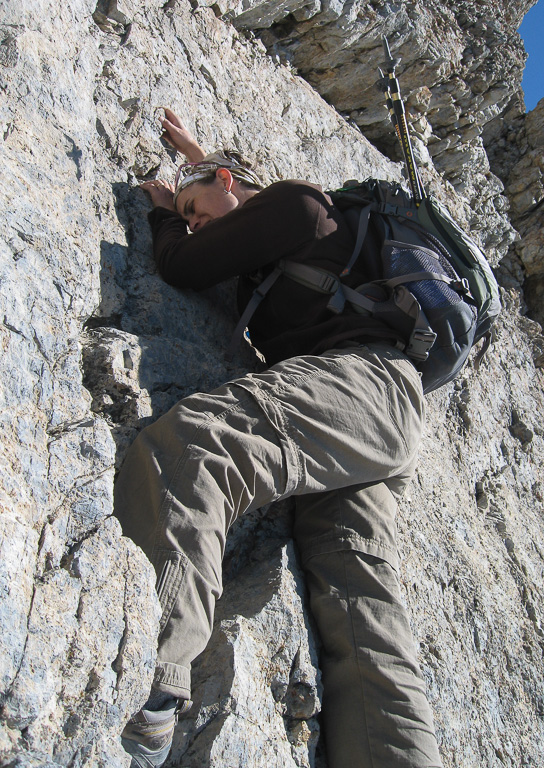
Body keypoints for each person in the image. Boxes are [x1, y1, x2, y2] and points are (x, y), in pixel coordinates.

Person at [114, 108, 443, 768]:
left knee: (203, 444)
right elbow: (231, 210)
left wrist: (160, 211)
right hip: (372, 416)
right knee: (362, 608)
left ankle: (156, 683)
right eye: (184, 208)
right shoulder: (290, 224)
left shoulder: (296, 201)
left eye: (195, 204)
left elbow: (183, 262)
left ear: (232, 180)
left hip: (359, 389)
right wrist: (198, 168)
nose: (192, 216)